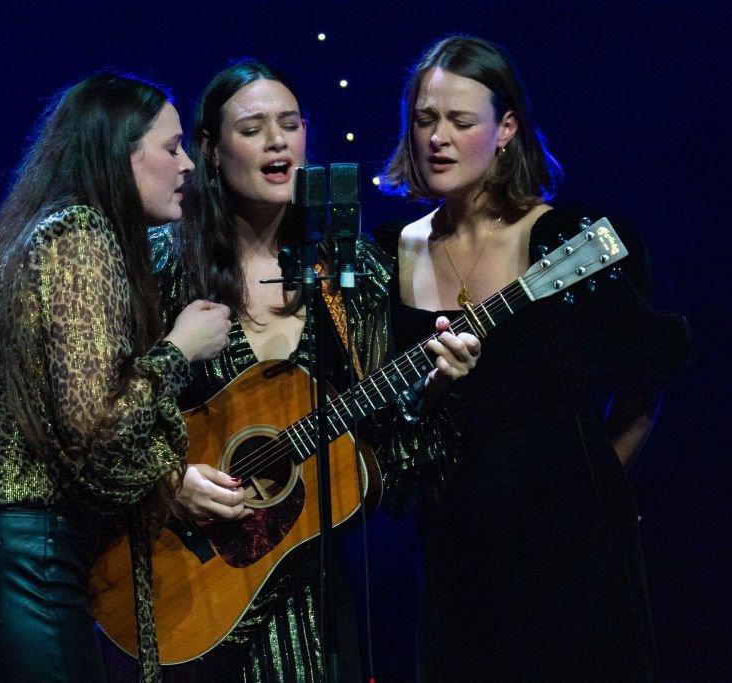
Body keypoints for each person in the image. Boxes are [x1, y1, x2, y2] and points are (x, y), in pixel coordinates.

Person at [143, 60, 480, 681]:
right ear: (211, 152)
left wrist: (435, 391)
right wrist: (167, 479)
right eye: (253, 128)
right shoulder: (162, 265)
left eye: (291, 124)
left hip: (314, 602)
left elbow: (391, 459)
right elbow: (101, 417)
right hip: (184, 588)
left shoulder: (353, 278)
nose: (278, 141)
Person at [0, 72, 232, 682]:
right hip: (16, 564)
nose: (186, 165)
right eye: (171, 146)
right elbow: (96, 428)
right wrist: (179, 349)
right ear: (118, 152)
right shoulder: (78, 235)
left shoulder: (46, 232)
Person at [376, 35, 691, 679]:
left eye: (461, 122)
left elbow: (643, 385)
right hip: (454, 549)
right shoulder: (389, 253)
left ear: (506, 129)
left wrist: (589, 493)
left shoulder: (565, 239)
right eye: (425, 119)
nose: (438, 137)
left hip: (571, 552)